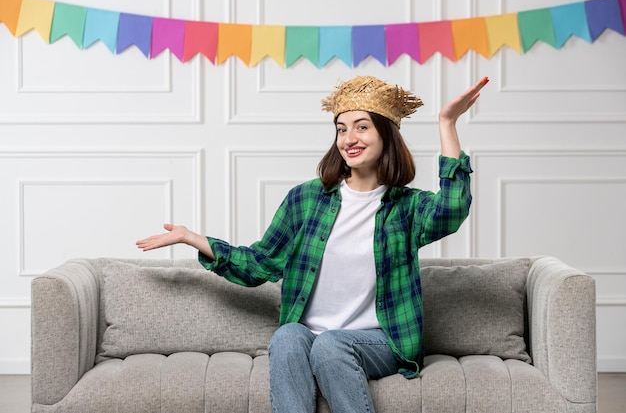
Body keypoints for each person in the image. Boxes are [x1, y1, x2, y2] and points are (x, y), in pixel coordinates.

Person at [136, 75, 489, 413]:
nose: (349, 138)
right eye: (341, 128)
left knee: (331, 345)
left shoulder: (407, 207)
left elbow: (453, 209)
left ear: (386, 134)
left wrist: (446, 124)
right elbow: (260, 263)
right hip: (310, 336)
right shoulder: (305, 200)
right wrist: (191, 237)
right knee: (288, 335)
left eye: (362, 127)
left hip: (379, 341)